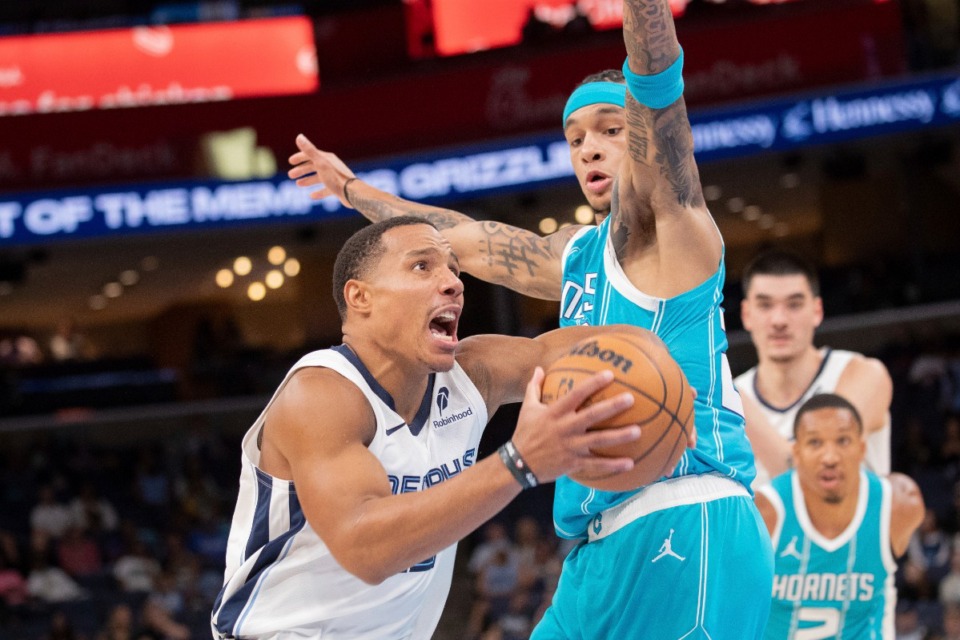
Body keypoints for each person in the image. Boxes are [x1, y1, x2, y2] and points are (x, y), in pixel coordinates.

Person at [288, 0, 772, 636]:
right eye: (576, 139)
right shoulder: (573, 256)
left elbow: (659, 92)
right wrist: (351, 189)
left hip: (685, 515)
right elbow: (457, 235)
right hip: (595, 548)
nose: (590, 149)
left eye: (609, 129)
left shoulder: (680, 232)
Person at [211, 217, 650, 639]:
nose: (455, 283)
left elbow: (612, 347)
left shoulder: (473, 375)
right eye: (422, 266)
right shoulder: (321, 395)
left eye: (454, 270)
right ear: (360, 297)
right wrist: (521, 462)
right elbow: (365, 548)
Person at [755, 393, 925, 639]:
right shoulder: (766, 512)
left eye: (843, 441)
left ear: (862, 448)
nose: (830, 458)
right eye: (815, 443)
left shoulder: (899, 504)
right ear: (797, 452)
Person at [736, 249, 893, 485]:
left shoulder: (864, 374)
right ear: (746, 314)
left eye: (794, 304)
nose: (779, 320)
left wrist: (731, 397)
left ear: (817, 311)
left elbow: (810, 478)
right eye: (765, 305)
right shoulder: (730, 395)